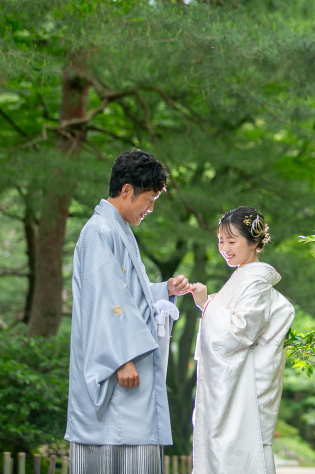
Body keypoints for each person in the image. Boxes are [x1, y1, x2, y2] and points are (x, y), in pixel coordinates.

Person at [65, 150, 192, 474]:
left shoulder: (116, 229)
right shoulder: (99, 231)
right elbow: (104, 300)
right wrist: (122, 358)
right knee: (117, 447)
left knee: (132, 444)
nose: (150, 209)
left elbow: (125, 294)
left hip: (126, 360)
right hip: (119, 365)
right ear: (126, 191)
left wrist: (164, 289)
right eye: (148, 200)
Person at [189, 206, 296, 474]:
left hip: (247, 388)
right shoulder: (243, 277)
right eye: (220, 241)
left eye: (232, 241)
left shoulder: (255, 281)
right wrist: (210, 304)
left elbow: (242, 330)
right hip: (239, 384)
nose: (224, 248)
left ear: (255, 242)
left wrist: (206, 305)